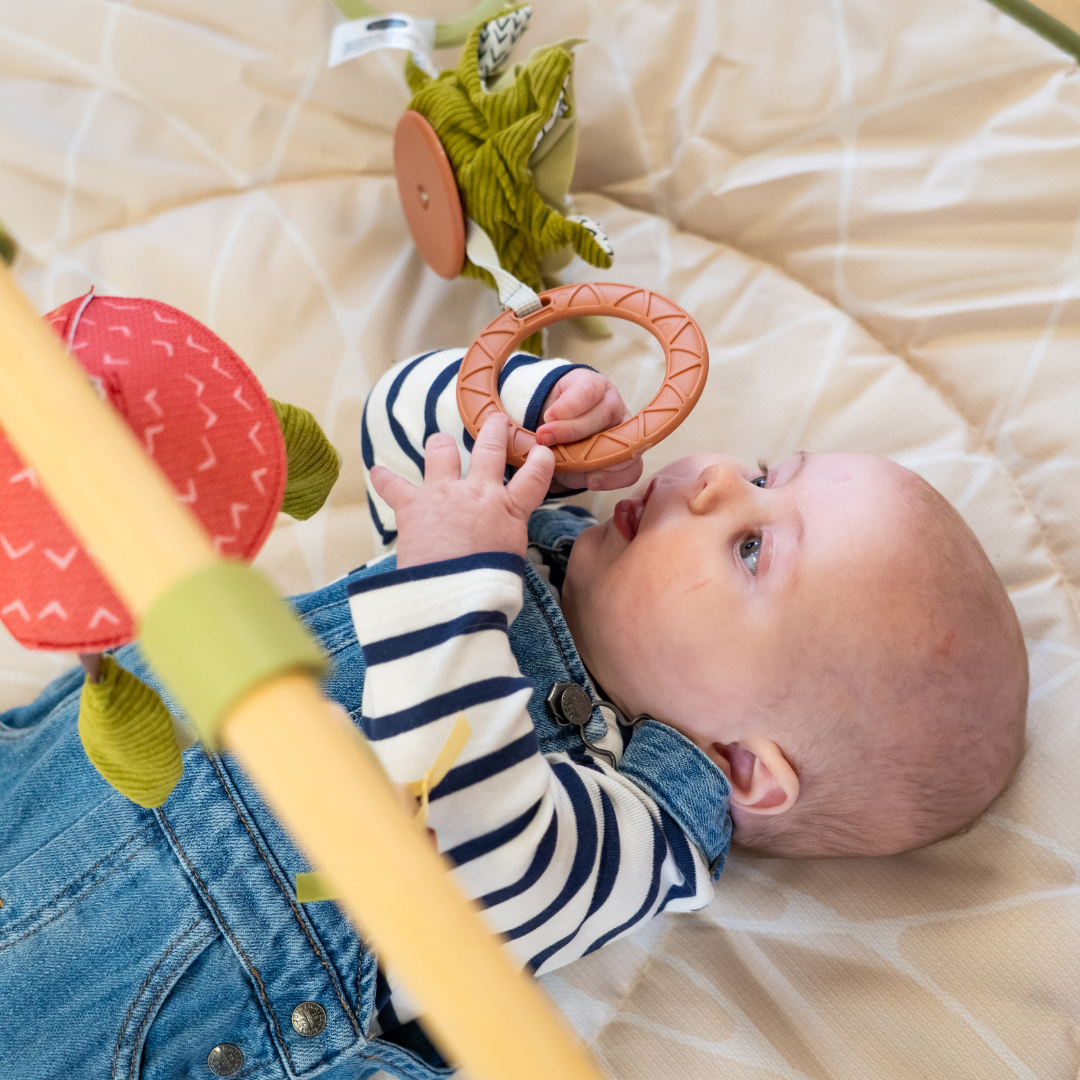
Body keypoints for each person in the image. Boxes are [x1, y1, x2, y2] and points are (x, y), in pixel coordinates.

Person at [0, 350, 1027, 1080]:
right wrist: (523, 407)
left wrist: (451, 576)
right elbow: (398, 435)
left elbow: (462, 838)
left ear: (745, 766)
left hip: (144, 1014)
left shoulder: (637, 829)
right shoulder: (536, 537)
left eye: (754, 545)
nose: (712, 478)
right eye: (762, 471)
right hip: (55, 779)